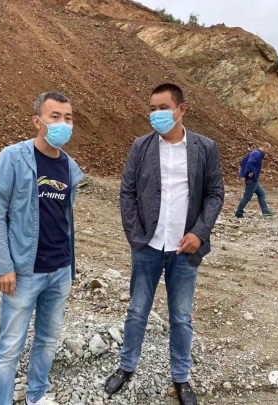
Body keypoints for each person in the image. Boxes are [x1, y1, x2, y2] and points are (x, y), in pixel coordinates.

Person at [104, 83, 225, 405]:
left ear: (181, 110)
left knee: (181, 317)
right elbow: (127, 191)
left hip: (185, 249)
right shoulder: (141, 146)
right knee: (137, 311)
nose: (156, 114)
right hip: (148, 246)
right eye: (152, 108)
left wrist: (199, 232)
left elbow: (215, 193)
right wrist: (136, 235)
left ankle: (181, 378)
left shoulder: (205, 147)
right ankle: (126, 367)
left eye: (163, 108)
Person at [0, 92, 83, 405]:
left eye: (68, 118)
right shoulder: (13, 157)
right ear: (37, 121)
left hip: (60, 270)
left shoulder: (69, 166)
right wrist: (3, 266)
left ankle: (37, 394)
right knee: (9, 348)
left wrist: (70, 267)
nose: (63, 124)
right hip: (24, 273)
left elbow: (64, 219)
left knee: (48, 340)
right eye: (55, 117)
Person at [235, 142, 275, 218]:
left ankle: (265, 211)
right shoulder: (257, 154)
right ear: (265, 147)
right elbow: (249, 163)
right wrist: (250, 172)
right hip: (252, 179)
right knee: (247, 196)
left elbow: (243, 161)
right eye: (268, 150)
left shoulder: (256, 153)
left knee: (261, 193)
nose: (268, 152)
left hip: (254, 179)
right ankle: (239, 212)